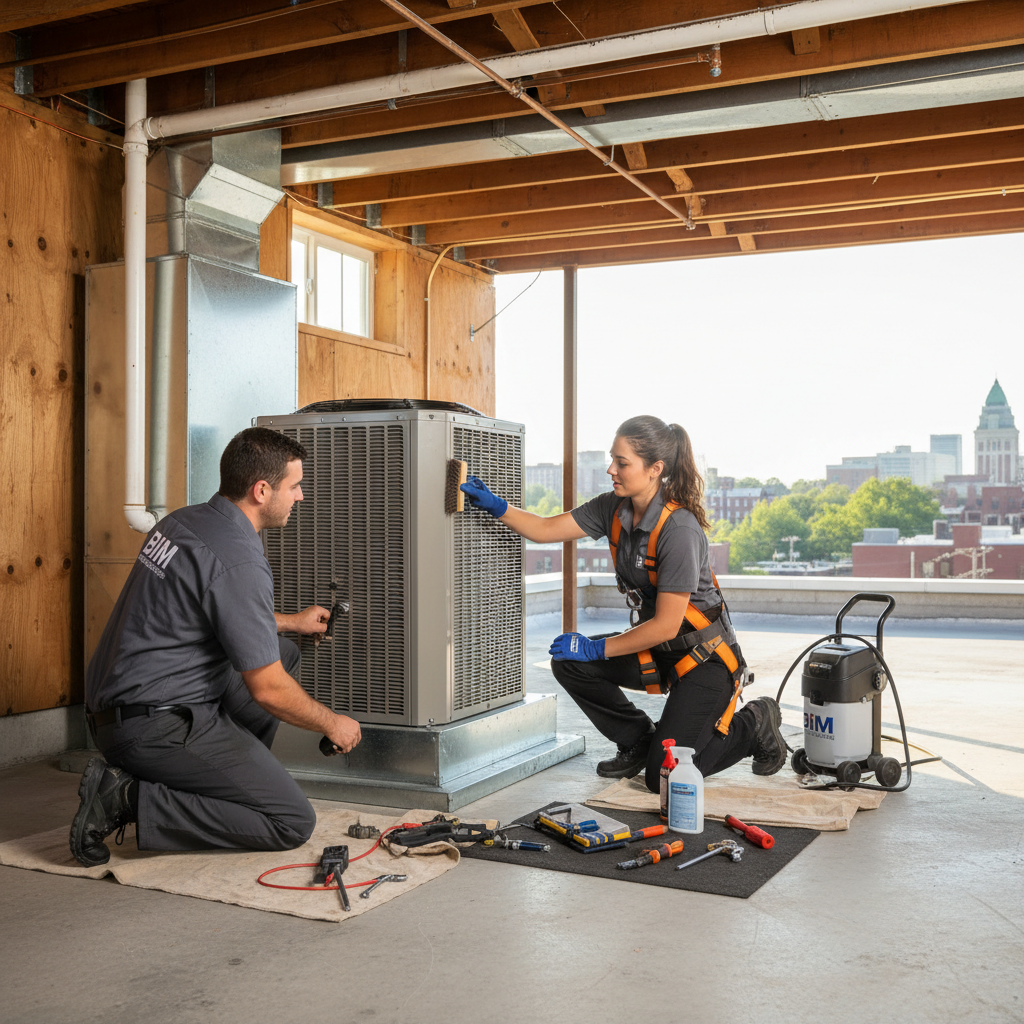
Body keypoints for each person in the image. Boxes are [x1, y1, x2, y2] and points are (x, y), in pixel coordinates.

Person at [70, 427, 362, 867]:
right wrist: (331, 723)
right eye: (295, 485)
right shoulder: (239, 559)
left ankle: (220, 778)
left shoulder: (184, 521)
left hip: (119, 704)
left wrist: (291, 622)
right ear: (261, 490)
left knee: (283, 652)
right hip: (153, 725)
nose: (300, 496)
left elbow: (200, 615)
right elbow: (267, 690)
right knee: (291, 821)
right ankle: (127, 798)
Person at [460, 414, 786, 793]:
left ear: (655, 470)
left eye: (622, 462)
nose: (611, 469)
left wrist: (596, 647)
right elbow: (546, 529)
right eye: (611, 459)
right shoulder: (613, 508)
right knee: (569, 662)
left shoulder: (679, 530)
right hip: (658, 649)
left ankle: (754, 723)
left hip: (705, 660)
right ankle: (639, 741)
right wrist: (497, 506)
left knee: (660, 779)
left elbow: (666, 624)